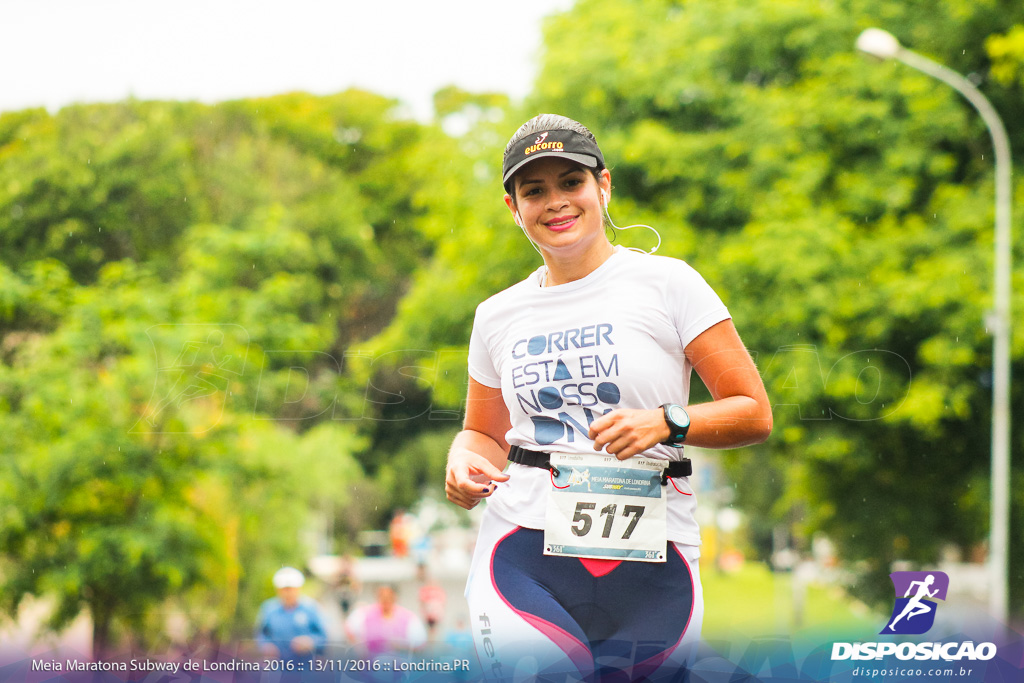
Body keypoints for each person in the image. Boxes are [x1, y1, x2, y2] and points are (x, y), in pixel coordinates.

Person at [445, 114, 772, 681]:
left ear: (604, 186)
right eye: (534, 191)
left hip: (654, 562)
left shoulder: (669, 284)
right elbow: (484, 434)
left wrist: (668, 423)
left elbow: (753, 412)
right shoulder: (496, 314)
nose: (556, 203)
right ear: (513, 208)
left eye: (571, 183)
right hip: (523, 550)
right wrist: (463, 458)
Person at [255, 566, 328, 662]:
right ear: (277, 590)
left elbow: (323, 636)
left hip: (305, 667)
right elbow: (261, 634)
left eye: (290, 589)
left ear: (298, 588)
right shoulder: (269, 608)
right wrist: (265, 646)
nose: (287, 593)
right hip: (277, 667)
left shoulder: (311, 608)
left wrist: (311, 642)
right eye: (284, 589)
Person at [345, 584, 428, 660]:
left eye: (389, 596)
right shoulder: (364, 614)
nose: (385, 600)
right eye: (382, 596)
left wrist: (401, 646)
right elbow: (349, 629)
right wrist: (360, 650)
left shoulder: (408, 618)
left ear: (395, 597)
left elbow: (420, 644)